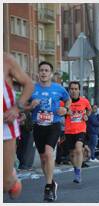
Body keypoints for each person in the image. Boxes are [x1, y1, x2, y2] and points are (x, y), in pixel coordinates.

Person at [29, 61, 71, 201]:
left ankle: (48, 187)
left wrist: (65, 109)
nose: (44, 72)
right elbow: (22, 105)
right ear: (38, 73)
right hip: (38, 126)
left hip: (53, 125)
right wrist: (30, 106)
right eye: (41, 70)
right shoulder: (32, 88)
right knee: (42, 158)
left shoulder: (58, 88)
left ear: (51, 74)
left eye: (46, 70)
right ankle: (52, 182)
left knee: (48, 153)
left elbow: (68, 100)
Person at [3, 53, 34, 199]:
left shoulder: (6, 60)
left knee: (5, 185)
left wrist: (16, 109)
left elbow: (29, 84)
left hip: (5, 126)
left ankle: (12, 178)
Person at [64, 81, 92, 183]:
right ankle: (76, 169)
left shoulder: (84, 101)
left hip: (81, 129)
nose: (74, 91)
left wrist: (86, 115)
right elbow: (59, 111)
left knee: (79, 149)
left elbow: (89, 110)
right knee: (71, 154)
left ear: (79, 90)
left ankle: (78, 173)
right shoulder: (65, 102)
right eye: (72, 89)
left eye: (76, 89)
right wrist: (66, 111)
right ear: (69, 90)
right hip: (69, 131)